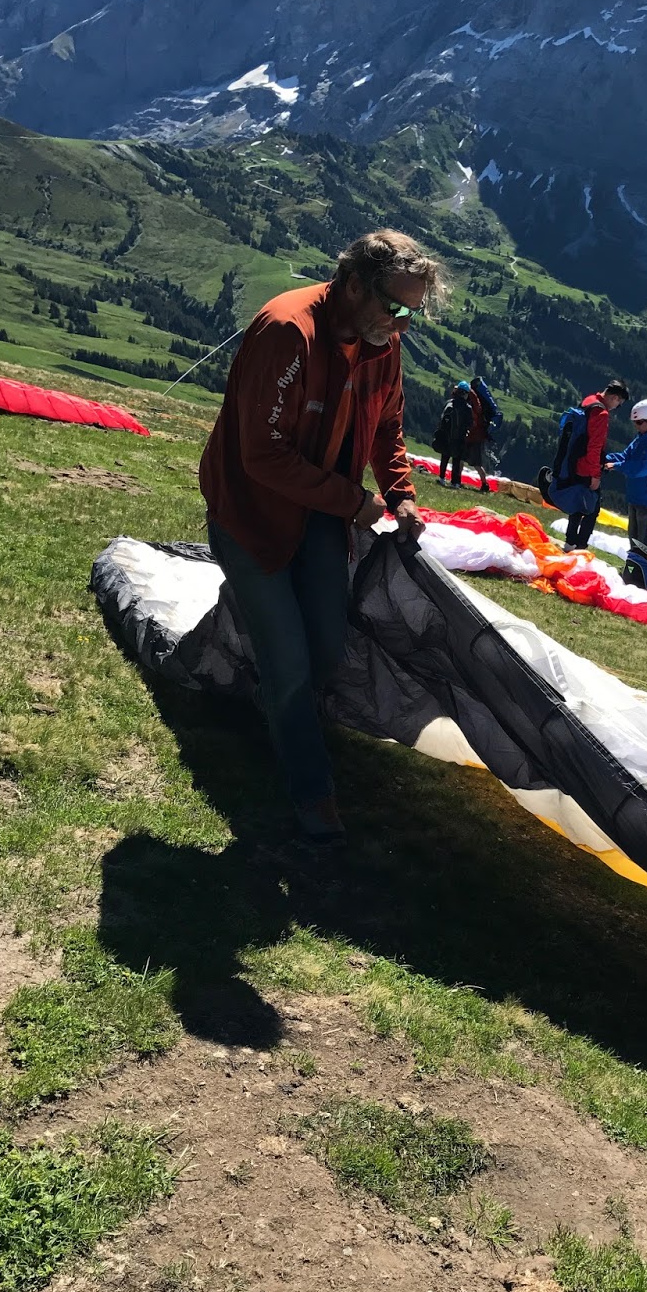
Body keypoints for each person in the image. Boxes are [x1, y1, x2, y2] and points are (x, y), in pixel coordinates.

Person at [198, 228, 441, 841]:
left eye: (412, 313)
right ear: (354, 284)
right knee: (289, 661)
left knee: (327, 649)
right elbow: (263, 456)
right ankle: (313, 793)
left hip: (321, 518)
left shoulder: (383, 343)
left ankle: (276, 712)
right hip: (251, 516)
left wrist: (401, 495)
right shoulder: (289, 332)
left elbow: (386, 428)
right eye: (396, 307)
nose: (403, 324)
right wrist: (355, 502)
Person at [561, 379, 629, 550]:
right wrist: (595, 475)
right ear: (614, 397)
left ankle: (569, 542)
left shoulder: (589, 401)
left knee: (578, 504)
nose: (617, 406)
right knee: (592, 510)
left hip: (574, 461)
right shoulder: (601, 414)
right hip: (587, 467)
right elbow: (594, 447)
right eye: (619, 403)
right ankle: (580, 547)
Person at [605, 398, 647, 548]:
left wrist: (616, 466)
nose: (636, 426)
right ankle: (634, 562)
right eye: (635, 422)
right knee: (634, 540)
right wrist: (605, 459)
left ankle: (644, 563)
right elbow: (626, 456)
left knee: (643, 543)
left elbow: (641, 468)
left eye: (639, 422)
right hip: (636, 497)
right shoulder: (641, 438)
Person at [435, 380, 473, 489]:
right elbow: (470, 423)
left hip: (446, 435)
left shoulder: (449, 403)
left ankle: (442, 478)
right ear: (465, 394)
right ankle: (455, 482)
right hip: (459, 438)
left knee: (445, 456)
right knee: (456, 460)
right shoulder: (467, 408)